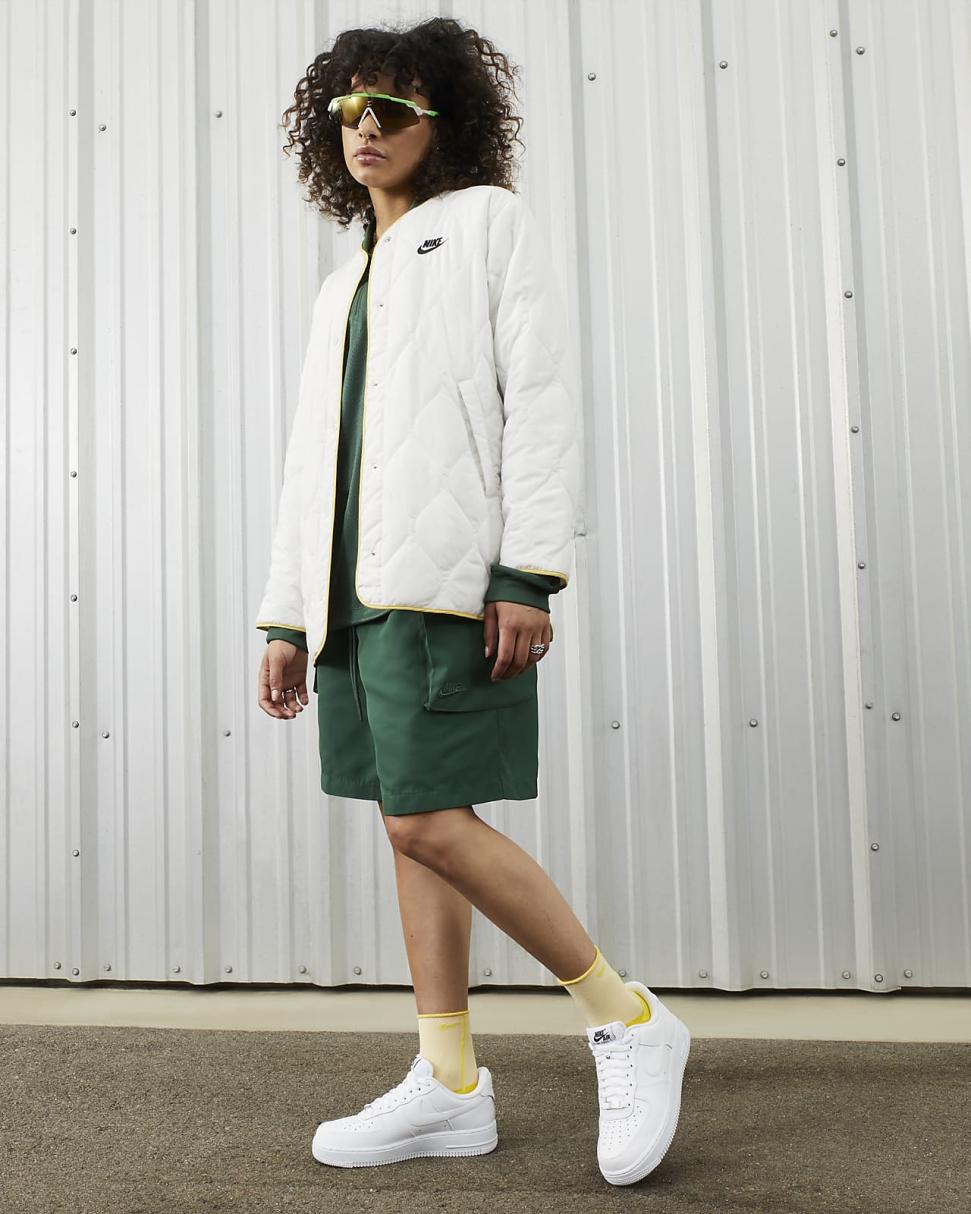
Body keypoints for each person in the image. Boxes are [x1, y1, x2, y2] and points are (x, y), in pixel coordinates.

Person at [254, 16, 690, 1188]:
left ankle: (625, 1015)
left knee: (426, 821)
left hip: (445, 587)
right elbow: (312, 461)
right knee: (408, 821)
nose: (365, 130)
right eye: (347, 111)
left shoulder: (489, 224)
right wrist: (288, 613)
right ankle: (448, 1081)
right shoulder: (343, 281)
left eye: (392, 108)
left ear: (443, 120)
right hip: (350, 596)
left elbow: (538, 403)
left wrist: (525, 573)